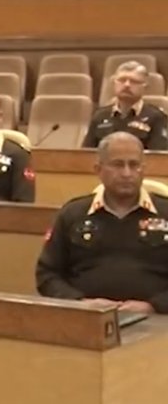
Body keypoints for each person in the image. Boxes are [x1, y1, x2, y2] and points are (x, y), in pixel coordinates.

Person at [36, 132, 168, 313]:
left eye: (134, 165)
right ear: (98, 170)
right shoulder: (72, 213)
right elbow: (47, 274)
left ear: (143, 169)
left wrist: (154, 306)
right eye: (117, 165)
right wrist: (79, 303)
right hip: (85, 318)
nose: (127, 173)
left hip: (157, 321)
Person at [82, 61, 168, 151]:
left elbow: (158, 155)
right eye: (122, 80)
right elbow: (86, 153)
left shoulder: (156, 117)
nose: (127, 85)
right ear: (114, 83)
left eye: (134, 81)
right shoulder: (100, 115)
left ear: (145, 87)